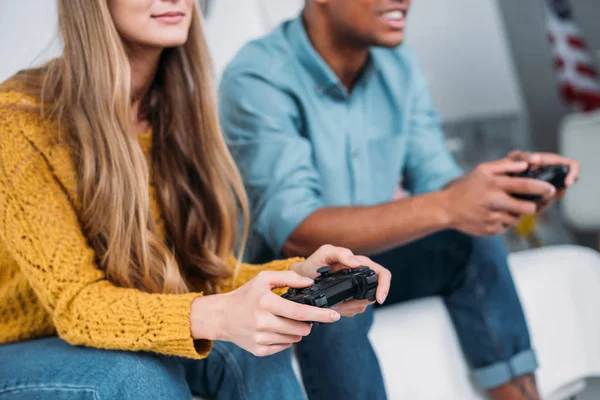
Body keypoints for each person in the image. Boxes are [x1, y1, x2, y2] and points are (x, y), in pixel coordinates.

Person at [0, 1, 392, 399]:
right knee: (134, 376)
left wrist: (301, 276)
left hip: (105, 323)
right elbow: (77, 304)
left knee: (249, 353)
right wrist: (220, 316)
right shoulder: (17, 121)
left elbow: (195, 272)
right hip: (13, 344)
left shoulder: (174, 110)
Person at [219, 0, 581, 399]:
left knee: (467, 241)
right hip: (287, 271)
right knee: (339, 288)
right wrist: (450, 205)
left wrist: (495, 189)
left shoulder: (399, 66)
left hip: (371, 256)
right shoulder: (258, 76)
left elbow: (437, 180)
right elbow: (297, 233)